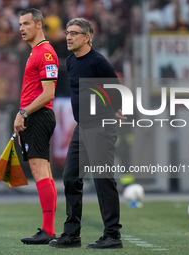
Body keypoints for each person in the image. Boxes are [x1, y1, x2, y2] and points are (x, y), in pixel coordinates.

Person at [49, 17, 127, 249]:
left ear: (87, 37)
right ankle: (71, 235)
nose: (68, 37)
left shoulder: (98, 62)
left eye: (74, 33)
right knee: (71, 178)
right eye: (67, 33)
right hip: (82, 128)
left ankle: (113, 235)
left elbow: (116, 89)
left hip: (101, 127)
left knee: (103, 179)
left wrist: (115, 109)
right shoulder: (72, 60)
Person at [13, 8, 58, 245]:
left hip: (38, 116)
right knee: (45, 173)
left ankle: (48, 230)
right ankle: (48, 229)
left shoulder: (46, 53)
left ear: (39, 25)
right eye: (20, 24)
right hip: (36, 116)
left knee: (40, 171)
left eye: (26, 24)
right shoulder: (35, 52)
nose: (21, 28)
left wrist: (23, 112)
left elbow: (48, 92)